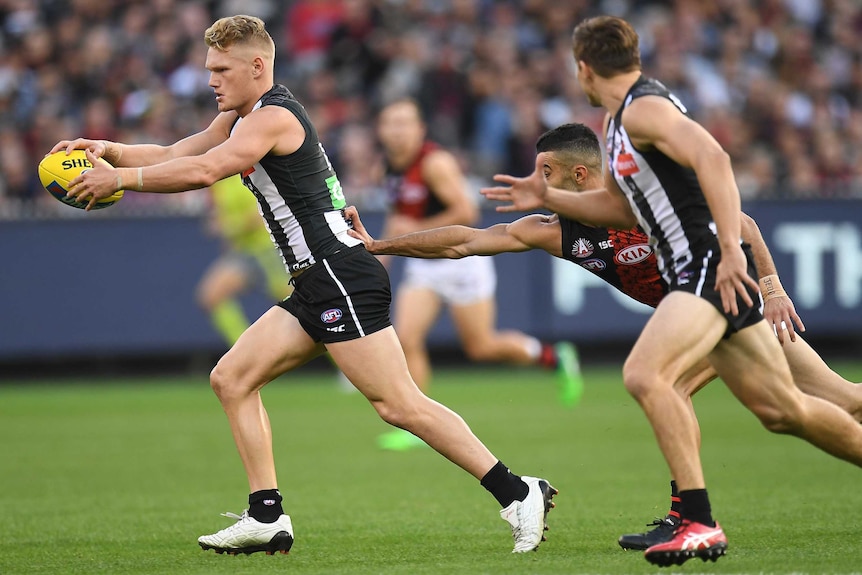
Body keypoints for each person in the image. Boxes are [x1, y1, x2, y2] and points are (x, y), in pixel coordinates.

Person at [52, 15, 557, 556]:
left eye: (221, 68)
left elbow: (206, 172)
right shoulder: (242, 117)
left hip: (340, 274)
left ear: (257, 66)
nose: (211, 80)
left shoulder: (272, 118)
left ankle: (517, 490)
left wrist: (120, 181)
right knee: (232, 379)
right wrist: (110, 150)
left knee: (398, 405)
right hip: (316, 281)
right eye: (208, 69)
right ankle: (266, 516)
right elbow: (183, 151)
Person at [346, 121, 862, 552]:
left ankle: (689, 517)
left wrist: (772, 289)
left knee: (674, 387)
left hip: (728, 303)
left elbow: (743, 223)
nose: (535, 180)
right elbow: (466, 242)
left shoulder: (637, 199)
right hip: (713, 315)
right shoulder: (554, 229)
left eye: (544, 171)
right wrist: (378, 244)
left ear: (578, 174)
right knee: (838, 401)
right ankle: (689, 516)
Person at [480, 16, 862, 567]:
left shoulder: (642, 108)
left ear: (584, 67)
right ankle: (690, 517)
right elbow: (619, 208)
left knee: (646, 375)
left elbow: (716, 159)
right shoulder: (620, 123)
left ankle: (697, 521)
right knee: (786, 412)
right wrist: (548, 199)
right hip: (703, 272)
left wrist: (734, 253)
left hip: (703, 268)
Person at [374, 98, 583, 451]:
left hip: (461, 261)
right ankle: (416, 426)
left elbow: (466, 211)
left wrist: (415, 228)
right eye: (390, 122)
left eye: (404, 122)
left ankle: (553, 357)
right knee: (406, 338)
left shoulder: (434, 163)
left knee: (481, 346)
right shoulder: (390, 166)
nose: (396, 130)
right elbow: (401, 218)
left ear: (420, 129)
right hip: (426, 264)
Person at [197, 174, 292, 346]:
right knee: (211, 296)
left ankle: (343, 361)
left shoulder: (250, 172)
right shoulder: (217, 181)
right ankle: (249, 353)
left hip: (268, 251)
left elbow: (259, 215)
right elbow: (222, 216)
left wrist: (227, 228)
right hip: (243, 253)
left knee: (302, 310)